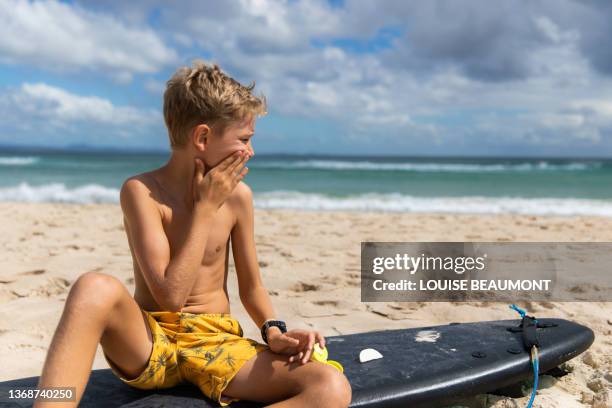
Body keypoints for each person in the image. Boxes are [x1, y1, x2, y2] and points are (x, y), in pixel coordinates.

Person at [34, 61, 352, 408]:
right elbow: (170, 297)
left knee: (330, 387)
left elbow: (252, 287)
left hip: (216, 342)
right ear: (202, 137)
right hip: (150, 342)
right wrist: (204, 210)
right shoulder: (142, 192)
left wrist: (274, 332)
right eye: (243, 140)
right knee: (93, 287)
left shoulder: (239, 199)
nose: (251, 152)